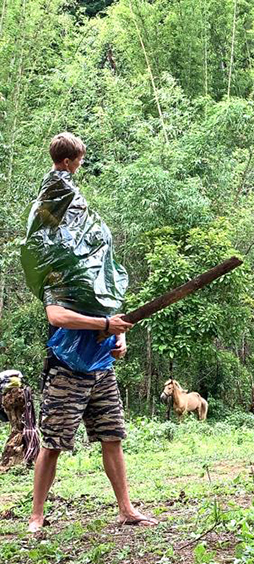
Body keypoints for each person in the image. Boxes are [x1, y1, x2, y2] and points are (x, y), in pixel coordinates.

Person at [21, 132, 157, 532]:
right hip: (66, 367)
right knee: (53, 444)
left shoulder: (91, 274)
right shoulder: (56, 269)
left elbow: (110, 311)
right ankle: (36, 515)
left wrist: (119, 335)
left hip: (101, 368)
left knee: (112, 437)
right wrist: (103, 325)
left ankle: (126, 508)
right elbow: (57, 318)